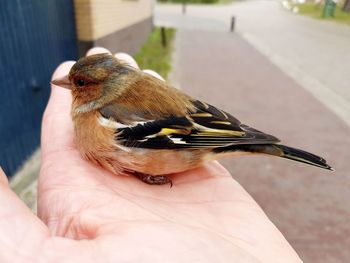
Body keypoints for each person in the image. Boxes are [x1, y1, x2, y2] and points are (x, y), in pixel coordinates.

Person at [0, 48, 302, 262]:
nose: (68, 85)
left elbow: (184, 134)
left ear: (98, 88)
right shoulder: (132, 92)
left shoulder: (106, 116)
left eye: (78, 83)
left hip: (191, 141)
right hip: (201, 120)